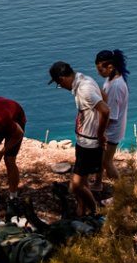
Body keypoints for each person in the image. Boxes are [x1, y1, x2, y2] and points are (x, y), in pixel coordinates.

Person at [48, 61, 108, 216]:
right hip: (84, 141)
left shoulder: (84, 90)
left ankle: (95, 213)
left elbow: (105, 110)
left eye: (59, 84)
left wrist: (100, 133)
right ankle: (81, 211)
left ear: (61, 79)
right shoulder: (84, 78)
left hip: (90, 144)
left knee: (75, 186)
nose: (62, 88)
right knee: (84, 179)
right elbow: (105, 97)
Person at [94, 50, 129, 185]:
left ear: (110, 67)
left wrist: (100, 132)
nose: (99, 73)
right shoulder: (112, 80)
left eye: (100, 70)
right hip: (111, 130)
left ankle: (121, 192)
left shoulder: (115, 86)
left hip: (112, 132)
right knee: (100, 160)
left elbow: (111, 114)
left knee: (107, 162)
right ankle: (97, 184)